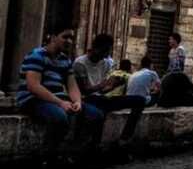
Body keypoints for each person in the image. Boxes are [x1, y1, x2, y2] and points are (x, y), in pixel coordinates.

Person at [17, 24, 104, 161]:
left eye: (71, 38)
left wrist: (77, 102)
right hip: (34, 99)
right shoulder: (37, 55)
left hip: (57, 100)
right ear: (52, 37)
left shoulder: (65, 60)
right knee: (59, 117)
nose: (69, 41)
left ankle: (75, 154)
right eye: (65, 37)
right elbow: (33, 86)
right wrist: (60, 103)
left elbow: (72, 86)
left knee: (96, 115)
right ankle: (47, 158)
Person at [74, 34, 147, 142]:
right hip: (87, 100)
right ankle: (94, 146)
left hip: (102, 99)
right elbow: (84, 90)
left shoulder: (106, 63)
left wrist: (114, 85)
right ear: (96, 48)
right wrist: (103, 84)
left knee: (140, 100)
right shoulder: (80, 63)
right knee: (100, 113)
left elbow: (102, 91)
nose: (107, 54)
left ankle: (124, 138)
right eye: (105, 50)